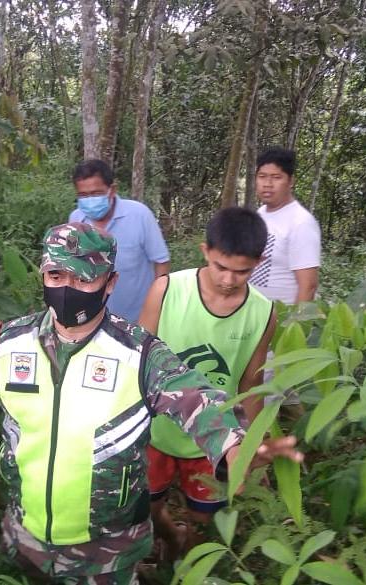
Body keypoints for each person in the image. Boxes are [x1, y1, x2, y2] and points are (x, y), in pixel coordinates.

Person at [0, 222, 302, 585]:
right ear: (42, 275)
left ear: (109, 282)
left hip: (109, 551)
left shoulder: (139, 353)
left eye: (84, 277)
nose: (67, 287)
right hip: (26, 538)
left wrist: (234, 445)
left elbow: (196, 399)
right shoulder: (8, 342)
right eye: (55, 275)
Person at [137, 207, 276, 560]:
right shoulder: (166, 290)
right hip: (157, 433)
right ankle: (171, 540)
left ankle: (188, 563)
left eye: (241, 271)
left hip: (214, 440)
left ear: (258, 263)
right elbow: (136, 362)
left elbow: (251, 381)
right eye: (221, 267)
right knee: (147, 512)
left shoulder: (262, 312)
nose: (229, 279)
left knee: (203, 518)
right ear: (205, 252)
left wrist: (252, 444)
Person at [68, 159, 170, 322]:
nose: (89, 200)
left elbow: (161, 262)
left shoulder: (140, 215)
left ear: (112, 190)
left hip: (138, 317)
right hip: (95, 318)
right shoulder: (76, 219)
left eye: (96, 194)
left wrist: (159, 306)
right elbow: (72, 262)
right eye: (83, 195)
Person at [248, 147, 321, 304]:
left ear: (291, 181)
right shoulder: (261, 214)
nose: (267, 184)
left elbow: (308, 285)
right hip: (254, 314)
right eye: (262, 176)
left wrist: (295, 324)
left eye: (276, 177)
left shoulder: (301, 222)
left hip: (281, 318)